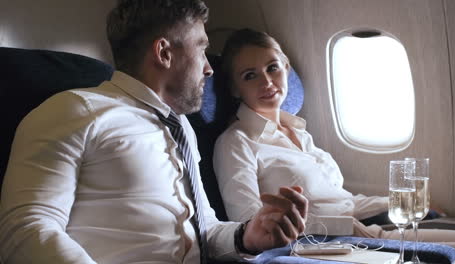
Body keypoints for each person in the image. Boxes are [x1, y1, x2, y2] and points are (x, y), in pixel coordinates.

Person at [0, 2, 308, 264]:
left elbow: (203, 232)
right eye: (201, 49)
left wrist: (248, 234)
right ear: (163, 52)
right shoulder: (75, 111)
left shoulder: (181, 127)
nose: (209, 68)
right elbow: (25, 230)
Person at [213, 28, 455, 261]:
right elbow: (251, 224)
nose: (267, 82)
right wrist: (344, 226)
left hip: (362, 231)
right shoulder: (235, 143)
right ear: (235, 89)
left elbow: (343, 202)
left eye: (272, 68)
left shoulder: (299, 133)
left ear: (287, 68)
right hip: (330, 244)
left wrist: (396, 202)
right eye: (250, 75)